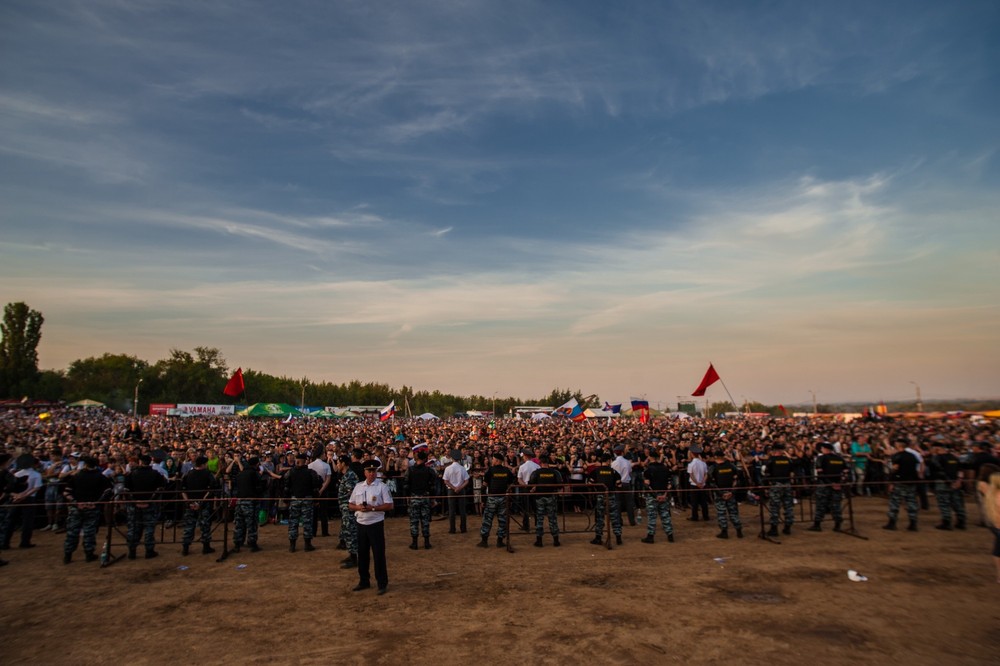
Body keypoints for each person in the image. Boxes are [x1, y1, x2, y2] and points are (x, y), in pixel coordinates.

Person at [348, 460, 394, 595]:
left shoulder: (382, 487)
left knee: (378, 554)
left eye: (374, 471)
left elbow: (389, 505)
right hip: (361, 523)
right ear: (365, 473)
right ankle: (364, 580)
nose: (372, 474)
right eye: (369, 471)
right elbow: (350, 504)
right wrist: (359, 507)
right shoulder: (358, 487)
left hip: (375, 523)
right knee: (362, 554)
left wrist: (372, 508)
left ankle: (382, 583)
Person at [62, 456, 112, 564]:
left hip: (76, 508)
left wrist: (75, 502)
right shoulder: (101, 477)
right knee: (89, 532)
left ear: (85, 465)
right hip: (92, 508)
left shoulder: (77, 476)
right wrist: (96, 503)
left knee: (72, 532)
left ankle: (68, 555)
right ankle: (89, 554)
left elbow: (66, 492)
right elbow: (108, 492)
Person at [124, 453, 167, 559]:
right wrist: (150, 500)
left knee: (134, 528)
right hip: (150, 504)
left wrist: (134, 501)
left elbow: (126, 490)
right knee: (149, 528)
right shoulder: (156, 474)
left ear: (140, 462)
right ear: (150, 462)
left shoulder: (132, 474)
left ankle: (132, 551)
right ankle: (149, 551)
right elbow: (161, 488)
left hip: (135, 505)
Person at [180, 455, 219, 555]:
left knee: (189, 526)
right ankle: (206, 547)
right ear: (203, 464)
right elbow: (210, 490)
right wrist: (200, 503)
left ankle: (185, 548)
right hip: (203, 505)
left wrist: (189, 502)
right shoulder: (207, 474)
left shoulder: (188, 473)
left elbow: (182, 490)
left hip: (190, 503)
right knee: (205, 525)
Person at [285, 453, 321, 552]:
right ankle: (307, 544)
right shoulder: (311, 472)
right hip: (307, 499)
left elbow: (286, 487)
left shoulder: (290, 472)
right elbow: (315, 488)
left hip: (294, 499)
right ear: (305, 461)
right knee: (307, 521)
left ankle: (292, 545)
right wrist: (316, 500)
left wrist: (286, 500)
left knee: (293, 522)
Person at [808, 442, 847, 532]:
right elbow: (845, 472)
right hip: (837, 485)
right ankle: (837, 525)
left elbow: (820, 473)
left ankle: (817, 525)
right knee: (836, 505)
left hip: (824, 485)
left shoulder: (821, 458)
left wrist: (830, 483)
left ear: (825, 449)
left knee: (821, 505)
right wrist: (839, 483)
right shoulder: (840, 458)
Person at [478, 451, 514, 548]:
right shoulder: (507, 471)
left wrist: (483, 500)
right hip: (503, 498)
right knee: (502, 520)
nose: (491, 460)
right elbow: (511, 485)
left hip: (492, 498)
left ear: (497, 460)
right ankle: (500, 541)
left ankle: (484, 541)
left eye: (493, 459)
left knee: (487, 520)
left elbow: (484, 486)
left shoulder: (490, 470)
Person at [884, 438, 920, 531]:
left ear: (898, 445)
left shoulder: (897, 456)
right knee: (911, 503)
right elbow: (916, 469)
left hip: (899, 482)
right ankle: (913, 523)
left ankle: (892, 523)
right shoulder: (912, 456)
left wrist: (891, 481)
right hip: (911, 482)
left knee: (894, 502)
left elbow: (895, 469)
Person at [928, 443, 966, 531]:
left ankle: (946, 522)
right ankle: (961, 521)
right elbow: (960, 469)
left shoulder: (937, 458)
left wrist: (949, 482)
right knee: (957, 502)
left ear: (938, 448)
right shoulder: (954, 457)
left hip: (943, 483)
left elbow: (939, 471)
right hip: (956, 482)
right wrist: (959, 480)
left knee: (944, 503)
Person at [641, 448, 675, 543]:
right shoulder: (665, 469)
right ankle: (670, 535)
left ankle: (650, 536)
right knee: (665, 515)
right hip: (664, 494)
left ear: (650, 457)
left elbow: (647, 485)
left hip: (653, 496)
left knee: (652, 516)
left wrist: (655, 495)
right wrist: (664, 494)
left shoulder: (648, 470)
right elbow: (670, 483)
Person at [588, 452, 623, 545]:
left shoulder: (595, 471)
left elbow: (590, 484)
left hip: (600, 496)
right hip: (611, 496)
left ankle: (598, 538)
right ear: (608, 461)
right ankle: (618, 538)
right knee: (615, 517)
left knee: (599, 517)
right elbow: (619, 485)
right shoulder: (614, 472)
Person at [404, 449, 436, 549]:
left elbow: (406, 485)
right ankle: (426, 542)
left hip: (414, 497)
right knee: (425, 520)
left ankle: (414, 543)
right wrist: (432, 498)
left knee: (414, 520)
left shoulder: (410, 470)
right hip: (425, 497)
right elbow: (433, 486)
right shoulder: (429, 470)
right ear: (425, 459)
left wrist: (407, 497)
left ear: (416, 458)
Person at [232, 456, 264, 553]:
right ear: (256, 464)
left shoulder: (240, 474)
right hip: (251, 501)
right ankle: (252, 544)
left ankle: (237, 544)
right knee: (252, 523)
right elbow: (259, 487)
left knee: (239, 524)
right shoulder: (255, 474)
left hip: (239, 501)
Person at [10, 455, 43, 549]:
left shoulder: (16, 474)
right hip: (29, 499)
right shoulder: (36, 474)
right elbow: (36, 488)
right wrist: (24, 496)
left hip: (16, 498)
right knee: (27, 521)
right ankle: (25, 542)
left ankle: (5, 542)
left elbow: (10, 488)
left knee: (11, 520)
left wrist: (17, 495)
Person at [528, 454, 562, 547]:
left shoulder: (536, 473)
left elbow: (530, 483)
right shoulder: (555, 472)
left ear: (540, 463)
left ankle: (539, 541)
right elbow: (560, 484)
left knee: (539, 519)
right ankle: (556, 540)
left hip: (539, 497)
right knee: (553, 519)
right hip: (551, 497)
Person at [709, 449, 743, 539]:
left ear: (715, 457)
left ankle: (724, 532)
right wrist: (732, 492)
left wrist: (720, 494)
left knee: (721, 513)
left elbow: (711, 483)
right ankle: (739, 530)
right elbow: (738, 477)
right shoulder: (731, 466)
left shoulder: (713, 467)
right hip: (731, 492)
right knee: (733, 512)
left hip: (721, 493)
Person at [765, 442, 795, 537]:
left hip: (776, 485)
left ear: (774, 451)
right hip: (787, 484)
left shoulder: (771, 460)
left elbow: (767, 474)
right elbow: (792, 473)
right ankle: (788, 527)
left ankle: (774, 529)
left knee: (774, 507)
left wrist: (767, 486)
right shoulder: (788, 460)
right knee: (788, 507)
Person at [336, 456, 360, 568]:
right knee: (348, 532)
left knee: (351, 532)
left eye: (338, 462)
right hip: (346, 508)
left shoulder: (349, 476)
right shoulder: (347, 475)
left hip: (349, 508)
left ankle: (354, 558)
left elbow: (351, 493)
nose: (337, 465)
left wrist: (343, 499)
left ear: (343, 463)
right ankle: (352, 555)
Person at [977, 470, 1000, 584]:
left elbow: (981, 485)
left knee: (997, 551)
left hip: (994, 525)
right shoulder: (998, 496)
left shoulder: (990, 494)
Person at [443, 449, 470, 534]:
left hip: (451, 490)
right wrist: (459, 487)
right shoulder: (462, 468)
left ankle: (452, 529)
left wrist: (454, 488)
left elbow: (446, 481)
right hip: (461, 490)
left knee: (452, 510)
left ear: (451, 458)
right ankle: (463, 528)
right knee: (462, 510)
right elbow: (467, 481)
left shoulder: (448, 468)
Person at [611, 444, 637, 525]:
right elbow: (629, 471)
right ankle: (632, 521)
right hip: (626, 483)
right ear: (622, 452)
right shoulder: (627, 462)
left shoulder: (614, 463)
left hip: (617, 484)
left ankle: (619, 521)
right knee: (629, 503)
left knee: (618, 503)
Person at [516, 448, 539, 532]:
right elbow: (539, 479)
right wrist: (534, 487)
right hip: (535, 488)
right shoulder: (537, 466)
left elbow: (519, 479)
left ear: (525, 456)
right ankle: (538, 524)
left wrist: (525, 486)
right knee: (536, 507)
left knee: (525, 508)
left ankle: (526, 526)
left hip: (525, 488)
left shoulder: (522, 466)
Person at [686, 447, 710, 522]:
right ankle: (705, 516)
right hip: (702, 484)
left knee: (694, 501)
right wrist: (702, 482)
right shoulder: (703, 463)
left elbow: (691, 475)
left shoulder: (691, 464)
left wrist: (697, 483)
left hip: (694, 485)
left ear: (692, 454)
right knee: (703, 501)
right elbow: (706, 474)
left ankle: (695, 516)